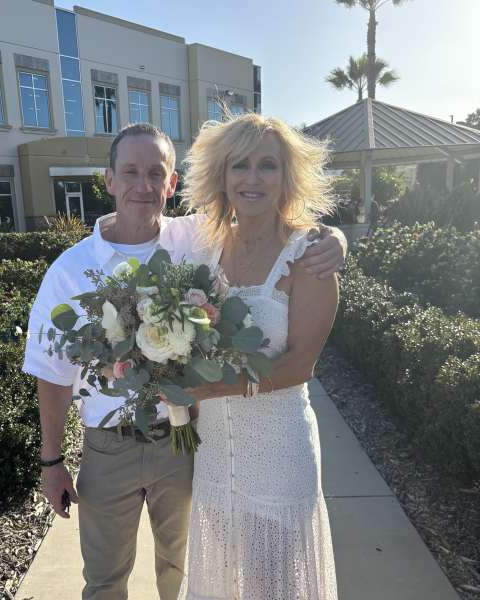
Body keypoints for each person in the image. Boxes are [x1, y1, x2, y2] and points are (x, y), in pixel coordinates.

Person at [22, 122, 346, 600]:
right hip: (114, 446)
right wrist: (51, 461)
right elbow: (51, 373)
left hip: (187, 443)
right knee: (108, 581)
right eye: (130, 172)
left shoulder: (194, 240)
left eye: (156, 173)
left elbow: (300, 356)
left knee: (189, 574)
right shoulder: (73, 269)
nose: (143, 185)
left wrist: (334, 236)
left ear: (172, 183)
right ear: (108, 179)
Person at [169, 114, 340, 600]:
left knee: (272, 585)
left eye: (267, 165)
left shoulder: (309, 255)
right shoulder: (203, 251)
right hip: (214, 451)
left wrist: (214, 387)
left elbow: (301, 364)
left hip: (278, 451)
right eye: (240, 165)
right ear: (222, 175)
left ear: (287, 177)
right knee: (224, 579)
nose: (252, 177)